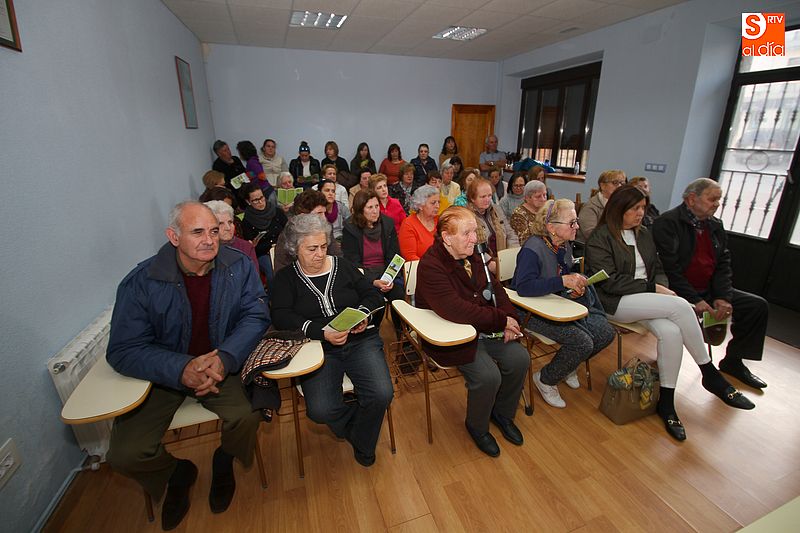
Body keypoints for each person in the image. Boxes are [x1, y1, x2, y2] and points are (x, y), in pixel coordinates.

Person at [106, 201, 269, 530]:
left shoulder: (238, 266)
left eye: (213, 231)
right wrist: (181, 369)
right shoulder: (141, 282)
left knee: (247, 415)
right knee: (125, 453)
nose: (210, 239)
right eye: (197, 232)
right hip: (162, 377)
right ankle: (176, 473)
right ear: (173, 236)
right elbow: (123, 349)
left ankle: (224, 458)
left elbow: (256, 315)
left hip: (221, 366)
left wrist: (224, 358)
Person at [585, 185, 755, 442]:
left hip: (645, 300)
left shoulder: (643, 234)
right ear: (618, 209)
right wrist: (655, 288)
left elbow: (660, 268)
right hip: (614, 302)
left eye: (643, 208)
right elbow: (610, 283)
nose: (641, 213)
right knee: (681, 306)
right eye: (635, 209)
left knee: (671, 331)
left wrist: (658, 286)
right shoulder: (600, 237)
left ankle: (667, 403)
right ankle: (709, 373)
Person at [271, 214, 393, 467]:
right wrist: (320, 332)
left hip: (361, 341)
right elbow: (282, 316)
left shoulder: (342, 265)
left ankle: (361, 439)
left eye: (323, 246)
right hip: (318, 349)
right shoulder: (285, 279)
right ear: (295, 249)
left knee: (382, 394)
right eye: (312, 248)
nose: (320, 254)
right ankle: (362, 436)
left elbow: (371, 293)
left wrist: (362, 315)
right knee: (320, 411)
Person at [415, 207, 529, 457]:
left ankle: (502, 414)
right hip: (451, 334)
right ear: (446, 237)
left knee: (520, 359)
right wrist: (501, 321)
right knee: (488, 377)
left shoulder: (472, 253)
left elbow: (495, 288)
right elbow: (456, 310)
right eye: (467, 233)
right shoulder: (431, 265)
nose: (475, 238)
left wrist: (510, 316)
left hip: (484, 324)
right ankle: (477, 427)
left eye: (475, 231)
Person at [652, 178, 768, 389]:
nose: (716, 204)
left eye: (719, 200)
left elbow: (723, 265)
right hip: (677, 289)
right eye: (712, 199)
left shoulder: (715, 225)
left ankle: (734, 360)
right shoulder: (667, 223)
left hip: (709, 289)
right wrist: (694, 299)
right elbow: (670, 269)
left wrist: (723, 296)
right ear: (691, 199)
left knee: (756, 306)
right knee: (677, 316)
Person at [512, 199, 614, 408]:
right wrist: (562, 282)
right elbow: (523, 288)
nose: (577, 226)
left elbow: (561, 277)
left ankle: (567, 366)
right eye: (572, 222)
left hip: (557, 303)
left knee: (605, 332)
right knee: (583, 341)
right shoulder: (532, 248)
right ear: (552, 228)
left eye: (576, 221)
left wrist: (573, 287)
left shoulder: (564, 245)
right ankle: (545, 379)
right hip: (529, 310)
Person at [342, 190, 405, 333]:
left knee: (398, 295)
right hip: (363, 276)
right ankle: (372, 334)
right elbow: (353, 264)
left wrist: (388, 278)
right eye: (370, 207)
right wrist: (374, 281)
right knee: (375, 299)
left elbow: (394, 255)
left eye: (377, 206)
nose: (375, 211)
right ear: (360, 210)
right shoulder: (350, 228)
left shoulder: (387, 224)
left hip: (386, 274)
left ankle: (402, 334)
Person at [272, 189, 342, 274]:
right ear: (303, 216)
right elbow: (281, 272)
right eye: (319, 213)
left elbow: (337, 257)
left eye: (324, 213)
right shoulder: (287, 236)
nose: (324, 218)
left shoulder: (325, 229)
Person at [467, 177, 519, 274]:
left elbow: (510, 233)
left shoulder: (496, 210)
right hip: (480, 264)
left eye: (489, 196)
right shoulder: (466, 216)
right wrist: (489, 262)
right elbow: (472, 246)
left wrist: (512, 254)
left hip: (503, 258)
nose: (487, 200)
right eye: (483, 197)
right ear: (472, 198)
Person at [239, 183, 287, 285]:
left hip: (282, 248)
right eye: (256, 200)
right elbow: (252, 247)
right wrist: (253, 245)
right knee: (273, 274)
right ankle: (275, 298)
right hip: (264, 253)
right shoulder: (247, 222)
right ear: (248, 202)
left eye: (261, 197)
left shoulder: (277, 211)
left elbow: (288, 230)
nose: (261, 202)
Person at [205, 200, 258, 272]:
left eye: (230, 222)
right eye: (220, 223)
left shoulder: (246, 247)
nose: (228, 228)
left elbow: (254, 279)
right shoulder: (203, 248)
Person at [577, 169, 626, 242]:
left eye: (622, 183)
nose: (619, 186)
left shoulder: (621, 206)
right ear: (602, 186)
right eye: (615, 183)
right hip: (588, 247)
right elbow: (591, 235)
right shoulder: (590, 207)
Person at [398, 185, 439, 261]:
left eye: (438, 202)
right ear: (420, 206)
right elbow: (410, 256)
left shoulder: (440, 221)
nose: (437, 206)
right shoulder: (409, 224)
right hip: (421, 269)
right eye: (433, 203)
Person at [510, 180, 548, 244]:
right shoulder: (519, 214)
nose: (543, 199)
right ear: (527, 198)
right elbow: (524, 241)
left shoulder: (546, 209)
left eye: (544, 195)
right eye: (538, 196)